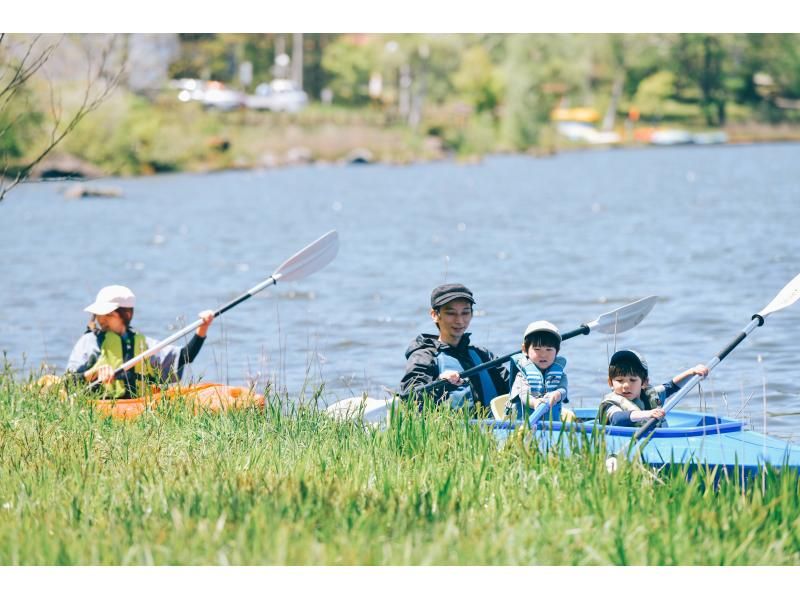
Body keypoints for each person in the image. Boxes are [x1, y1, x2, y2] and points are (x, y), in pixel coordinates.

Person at [65, 285, 215, 399]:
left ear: (126, 314)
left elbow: (184, 357)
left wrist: (203, 328)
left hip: (136, 407)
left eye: (108, 315)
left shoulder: (144, 345)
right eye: (98, 314)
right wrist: (93, 373)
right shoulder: (88, 342)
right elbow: (68, 383)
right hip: (101, 404)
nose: (101, 319)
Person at [400, 283, 508, 411]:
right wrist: (440, 383)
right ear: (435, 315)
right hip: (450, 430)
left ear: (472, 314)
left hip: (493, 429)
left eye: (465, 313)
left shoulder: (483, 355)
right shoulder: (424, 356)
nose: (460, 321)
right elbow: (410, 397)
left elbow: (513, 385)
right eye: (451, 313)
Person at [598, 349, 709, 427]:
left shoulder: (650, 395)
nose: (626, 385)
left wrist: (692, 372)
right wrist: (647, 414)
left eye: (632, 380)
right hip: (623, 442)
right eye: (619, 380)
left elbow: (671, 386)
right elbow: (617, 418)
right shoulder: (610, 404)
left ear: (644, 382)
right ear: (610, 382)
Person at [507, 321, 569, 422]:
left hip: (551, 424)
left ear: (557, 351)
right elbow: (523, 395)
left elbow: (563, 390)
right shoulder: (522, 375)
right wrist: (535, 402)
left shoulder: (560, 375)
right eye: (537, 349)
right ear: (524, 349)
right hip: (526, 422)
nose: (543, 355)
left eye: (549, 349)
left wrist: (557, 394)